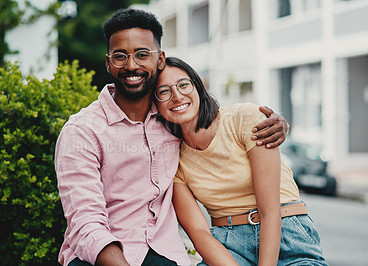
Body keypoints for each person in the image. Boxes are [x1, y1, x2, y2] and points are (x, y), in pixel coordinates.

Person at [55, 8, 289, 266]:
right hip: (101, 257)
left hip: (163, 253)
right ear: (108, 63)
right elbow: (86, 222)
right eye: (120, 56)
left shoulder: (172, 118)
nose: (131, 65)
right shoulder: (82, 132)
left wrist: (276, 123)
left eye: (142, 54)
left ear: (160, 60)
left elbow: (217, 121)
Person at [154, 56, 328, 266]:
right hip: (229, 246)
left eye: (183, 85)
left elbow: (269, 211)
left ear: (198, 87)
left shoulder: (244, 117)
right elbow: (199, 231)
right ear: (155, 104)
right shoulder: (174, 159)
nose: (177, 96)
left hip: (285, 234)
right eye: (164, 91)